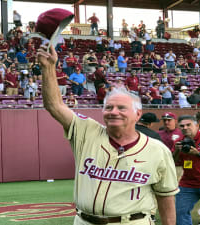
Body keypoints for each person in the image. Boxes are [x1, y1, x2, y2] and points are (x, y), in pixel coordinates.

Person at [37, 44, 178, 225]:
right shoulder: (87, 131)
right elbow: (54, 106)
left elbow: (166, 198)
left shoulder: (157, 150)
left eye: (121, 108)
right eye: (108, 107)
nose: (114, 112)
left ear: (138, 114)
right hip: (84, 221)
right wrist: (48, 68)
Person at [158, 112, 184, 181]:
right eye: (164, 120)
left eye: (169, 120)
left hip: (177, 165)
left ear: (175, 121)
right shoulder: (158, 134)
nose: (166, 122)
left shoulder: (182, 133)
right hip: (162, 165)